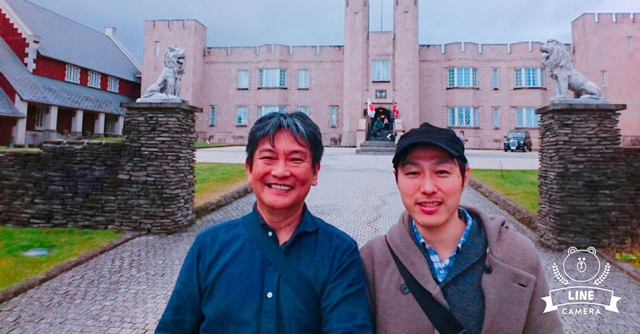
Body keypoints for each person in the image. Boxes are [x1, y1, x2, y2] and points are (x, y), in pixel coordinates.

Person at [157, 112, 372, 333]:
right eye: (268, 158)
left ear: (315, 172)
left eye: (296, 159)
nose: (280, 172)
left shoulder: (339, 253)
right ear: (249, 169)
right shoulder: (209, 246)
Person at [360, 123, 562, 334]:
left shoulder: (518, 254)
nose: (428, 188)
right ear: (396, 179)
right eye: (413, 173)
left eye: (442, 172)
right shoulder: (373, 260)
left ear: (465, 178)